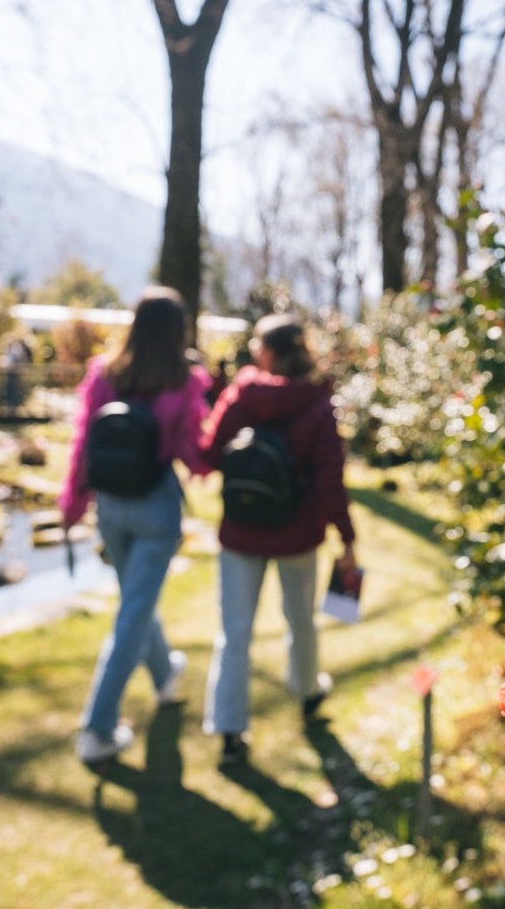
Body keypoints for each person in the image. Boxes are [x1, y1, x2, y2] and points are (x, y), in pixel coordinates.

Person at [60, 287, 214, 763]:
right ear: (177, 331)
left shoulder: (105, 374)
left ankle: (165, 675)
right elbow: (196, 454)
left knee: (136, 602)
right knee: (133, 613)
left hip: (109, 507)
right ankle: (97, 729)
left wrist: (72, 505)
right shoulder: (183, 382)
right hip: (155, 509)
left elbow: (83, 442)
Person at [201, 314, 358, 766]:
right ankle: (308, 692)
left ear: (268, 352)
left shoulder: (242, 395)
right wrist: (346, 539)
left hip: (241, 531)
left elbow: (210, 453)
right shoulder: (316, 403)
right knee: (301, 620)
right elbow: (331, 479)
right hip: (298, 533)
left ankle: (230, 729)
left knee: (234, 633)